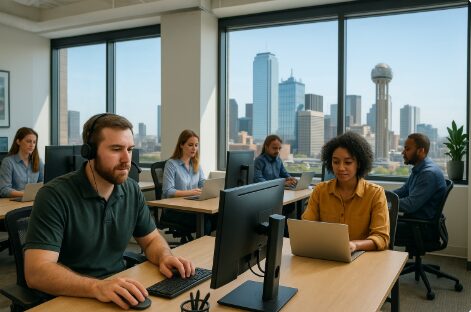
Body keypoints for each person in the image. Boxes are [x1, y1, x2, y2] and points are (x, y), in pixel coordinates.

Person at [24, 114, 195, 310]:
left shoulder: (131, 190)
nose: (126, 159)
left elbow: (151, 240)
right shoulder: (54, 196)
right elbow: (37, 272)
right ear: (90, 152)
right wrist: (97, 287)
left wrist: (165, 256)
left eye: (129, 149)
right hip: (70, 298)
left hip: (116, 290)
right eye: (116, 149)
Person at [302, 132, 390, 252]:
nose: (341, 168)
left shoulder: (375, 193)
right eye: (336, 162)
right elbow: (306, 227)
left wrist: (355, 245)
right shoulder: (320, 190)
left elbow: (381, 238)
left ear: (359, 163)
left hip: (361, 257)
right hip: (326, 253)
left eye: (348, 162)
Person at [393, 133, 446, 244]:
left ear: (420, 151)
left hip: (420, 227)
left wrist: (382, 202)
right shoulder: (420, 168)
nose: (403, 152)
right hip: (415, 223)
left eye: (407, 149)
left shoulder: (428, 174)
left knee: (375, 226)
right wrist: (379, 194)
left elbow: (410, 205)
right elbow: (404, 191)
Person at [161, 129, 214, 234]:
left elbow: (202, 182)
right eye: (190, 145)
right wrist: (192, 192)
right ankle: (200, 250)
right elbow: (168, 191)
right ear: (181, 145)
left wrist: (210, 188)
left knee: (217, 218)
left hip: (192, 207)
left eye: (196, 145)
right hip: (175, 210)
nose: (194, 148)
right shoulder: (171, 164)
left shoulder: (195, 163)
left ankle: (212, 250)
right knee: (206, 222)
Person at [0, 127, 44, 198]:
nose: (32, 145)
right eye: (28, 141)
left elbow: (44, 184)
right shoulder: (8, 162)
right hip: (14, 203)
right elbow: (4, 190)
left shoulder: (38, 161)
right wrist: (27, 194)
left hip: (33, 201)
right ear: (18, 142)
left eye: (34, 142)